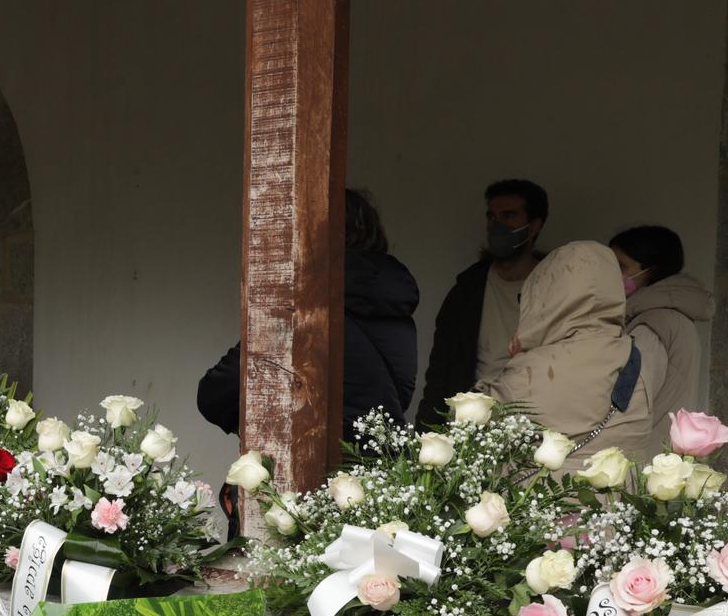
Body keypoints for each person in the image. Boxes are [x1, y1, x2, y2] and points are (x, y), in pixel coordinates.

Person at [198, 189, 421, 440]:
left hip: (311, 463)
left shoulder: (306, 303)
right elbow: (397, 397)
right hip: (379, 468)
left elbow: (215, 393)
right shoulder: (394, 305)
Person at [477, 240, 659, 466]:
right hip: (616, 498)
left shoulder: (534, 371)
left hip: (547, 497)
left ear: (546, 295)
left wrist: (516, 362)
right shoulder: (634, 357)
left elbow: (476, 427)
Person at [415, 179, 549, 426]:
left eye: (509, 216)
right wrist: (426, 432)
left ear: (534, 227)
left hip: (534, 419)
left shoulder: (556, 286)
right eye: (491, 217)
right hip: (472, 421)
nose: (497, 225)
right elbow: (440, 370)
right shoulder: (468, 289)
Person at [612, 225, 714, 459]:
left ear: (652, 270)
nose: (610, 274)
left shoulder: (653, 323)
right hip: (661, 459)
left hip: (641, 462)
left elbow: (627, 402)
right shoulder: (670, 317)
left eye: (621, 266)